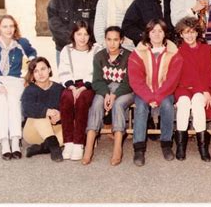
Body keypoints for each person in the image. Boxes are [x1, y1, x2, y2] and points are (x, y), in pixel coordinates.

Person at [128, 19, 183, 166]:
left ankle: (166, 144)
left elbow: (173, 79)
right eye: (153, 31)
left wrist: (158, 96)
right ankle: (139, 149)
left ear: (165, 33)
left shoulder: (174, 53)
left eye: (160, 31)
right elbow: (135, 79)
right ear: (148, 33)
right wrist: (149, 96)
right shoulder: (138, 53)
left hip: (165, 91)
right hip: (143, 91)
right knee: (140, 108)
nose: (157, 34)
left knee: (166, 105)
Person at [0, 15, 37, 160]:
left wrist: (31, 62)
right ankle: (4, 142)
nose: (9, 29)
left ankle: (15, 140)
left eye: (11, 26)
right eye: (5, 26)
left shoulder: (21, 42)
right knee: (1, 101)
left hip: (14, 80)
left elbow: (32, 53)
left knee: (13, 101)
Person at [82, 26, 134, 166]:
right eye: (109, 40)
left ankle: (117, 146)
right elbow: (97, 81)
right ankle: (89, 146)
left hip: (125, 91)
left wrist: (114, 95)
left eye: (116, 40)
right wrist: (106, 94)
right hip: (106, 90)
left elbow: (130, 82)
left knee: (117, 104)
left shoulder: (129, 56)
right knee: (97, 103)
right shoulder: (100, 56)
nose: (112, 43)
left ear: (121, 40)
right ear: (105, 40)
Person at [58, 21, 101, 161]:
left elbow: (96, 72)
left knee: (82, 100)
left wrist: (83, 87)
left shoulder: (96, 49)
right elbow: (63, 71)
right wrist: (71, 87)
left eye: (85, 34)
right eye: (79, 34)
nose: (82, 38)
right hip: (71, 84)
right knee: (66, 99)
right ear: (73, 35)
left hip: (89, 85)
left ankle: (78, 143)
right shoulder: (67, 50)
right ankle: (68, 142)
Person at [174, 17, 211, 162]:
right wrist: (200, 88)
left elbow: (210, 74)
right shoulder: (179, 52)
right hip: (183, 88)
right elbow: (182, 78)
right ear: (181, 34)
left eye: (192, 32)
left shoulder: (206, 50)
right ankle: (180, 146)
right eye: (186, 32)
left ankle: (202, 147)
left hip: (203, 89)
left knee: (198, 103)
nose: (189, 35)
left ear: (198, 33)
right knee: (184, 103)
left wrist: (203, 89)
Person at [47, 0, 96, 65]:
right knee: (66, 79)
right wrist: (73, 39)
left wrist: (83, 40)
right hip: (63, 48)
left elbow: (93, 22)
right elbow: (53, 23)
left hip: (85, 49)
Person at [21, 57, 64, 162]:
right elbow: (26, 109)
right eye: (36, 71)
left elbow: (67, 108)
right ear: (33, 75)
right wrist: (47, 111)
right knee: (41, 114)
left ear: (49, 70)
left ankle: (41, 148)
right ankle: (54, 148)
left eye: (43, 69)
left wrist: (60, 115)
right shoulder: (30, 89)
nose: (40, 74)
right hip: (33, 132)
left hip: (54, 130)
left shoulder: (59, 88)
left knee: (70, 130)